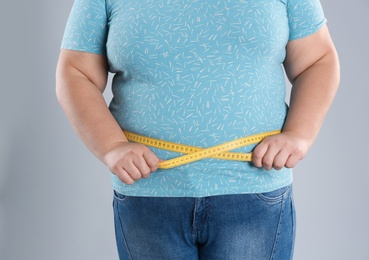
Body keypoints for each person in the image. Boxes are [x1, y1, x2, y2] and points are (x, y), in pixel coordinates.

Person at [56, 0, 339, 259]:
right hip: (148, 195)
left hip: (254, 194)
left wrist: (299, 134)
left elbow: (318, 60)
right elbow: (75, 71)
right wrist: (111, 146)